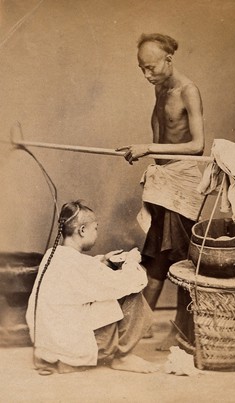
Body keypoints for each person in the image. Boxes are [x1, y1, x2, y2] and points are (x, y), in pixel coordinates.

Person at [117, 33, 205, 349]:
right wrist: (142, 152)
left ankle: (184, 333)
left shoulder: (189, 91)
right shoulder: (160, 87)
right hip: (163, 182)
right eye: (142, 68)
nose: (147, 75)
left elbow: (198, 145)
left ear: (169, 58)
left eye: (151, 67)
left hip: (182, 184)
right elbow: (162, 142)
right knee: (155, 258)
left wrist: (148, 147)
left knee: (180, 261)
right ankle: (136, 328)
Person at [26, 200, 157, 374]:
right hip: (70, 347)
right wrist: (132, 261)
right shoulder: (82, 266)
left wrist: (103, 261)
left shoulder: (52, 255)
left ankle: (62, 359)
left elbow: (82, 275)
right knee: (134, 292)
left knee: (106, 293)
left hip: (47, 345)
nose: (96, 233)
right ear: (82, 230)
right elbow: (128, 282)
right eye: (95, 228)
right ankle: (122, 357)